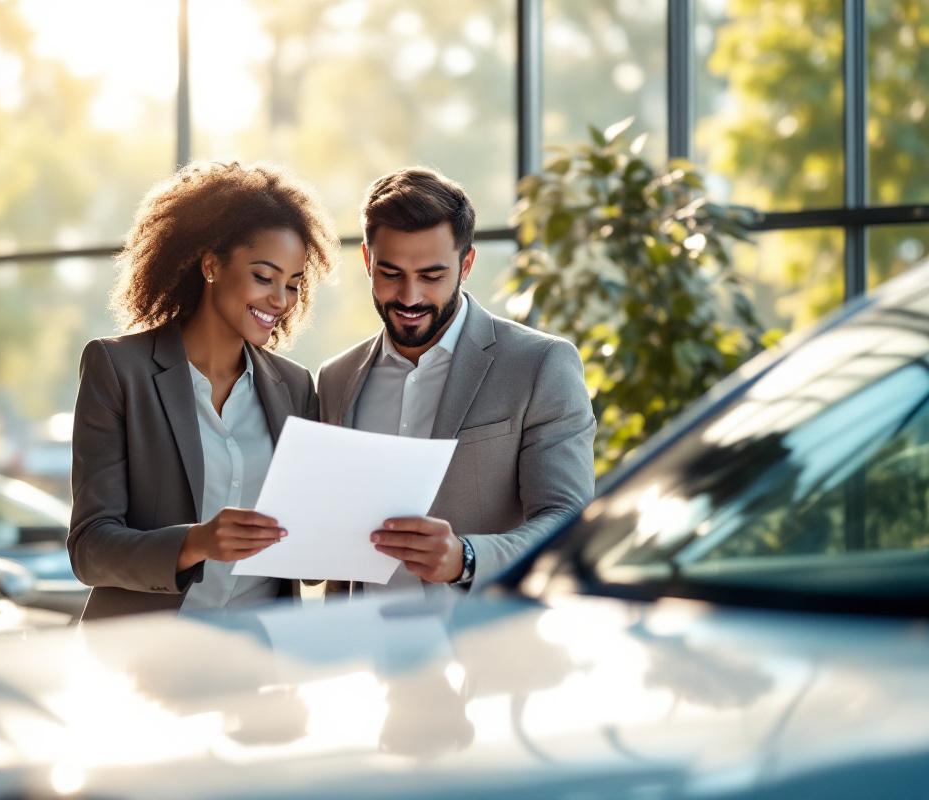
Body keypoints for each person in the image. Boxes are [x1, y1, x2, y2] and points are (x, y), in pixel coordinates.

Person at [69, 161, 337, 622]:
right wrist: (196, 542)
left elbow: (307, 559)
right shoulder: (118, 370)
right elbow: (90, 549)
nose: (280, 300)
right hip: (145, 658)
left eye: (293, 285)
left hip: (259, 658)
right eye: (263, 276)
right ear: (211, 264)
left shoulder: (294, 387)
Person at [317, 167, 595, 599]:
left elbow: (565, 520)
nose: (409, 297)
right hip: (362, 651)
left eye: (431, 276)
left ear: (466, 263)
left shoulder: (539, 364)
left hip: (483, 648)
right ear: (368, 261)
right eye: (390, 274)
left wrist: (465, 558)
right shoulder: (336, 379)